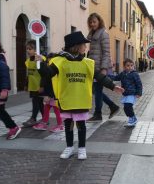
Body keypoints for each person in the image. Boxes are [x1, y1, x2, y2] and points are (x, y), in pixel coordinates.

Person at [36, 31, 124, 159]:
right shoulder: (59, 61)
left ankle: (82, 148)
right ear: (76, 46)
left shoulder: (88, 62)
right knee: (68, 125)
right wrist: (41, 63)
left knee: (81, 125)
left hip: (81, 99)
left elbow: (99, 76)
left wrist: (112, 86)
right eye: (84, 45)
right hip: (67, 99)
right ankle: (69, 147)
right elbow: (48, 73)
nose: (86, 47)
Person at [86, 13, 120, 122]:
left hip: (100, 68)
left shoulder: (103, 34)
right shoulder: (92, 34)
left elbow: (106, 53)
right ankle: (112, 106)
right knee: (96, 91)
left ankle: (98, 114)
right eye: (90, 22)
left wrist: (104, 68)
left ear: (99, 21)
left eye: (94, 22)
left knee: (97, 90)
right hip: (93, 67)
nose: (92, 24)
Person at [33, 53, 64, 132]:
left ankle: (60, 125)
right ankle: (44, 123)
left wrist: (49, 95)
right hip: (49, 94)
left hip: (54, 94)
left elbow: (53, 84)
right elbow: (44, 79)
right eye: (48, 61)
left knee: (56, 109)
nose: (49, 64)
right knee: (46, 108)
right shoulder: (48, 70)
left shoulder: (55, 72)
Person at [111, 58, 142, 127]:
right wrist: (107, 76)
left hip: (132, 93)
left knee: (128, 106)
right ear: (124, 66)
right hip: (125, 93)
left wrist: (139, 93)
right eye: (128, 65)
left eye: (131, 65)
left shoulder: (135, 74)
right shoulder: (123, 74)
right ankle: (133, 118)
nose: (130, 67)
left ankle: (132, 120)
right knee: (126, 108)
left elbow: (139, 84)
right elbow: (116, 78)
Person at [22, 40, 45, 127]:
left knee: (36, 102)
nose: (28, 50)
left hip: (39, 86)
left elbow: (44, 74)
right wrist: (26, 85)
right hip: (32, 86)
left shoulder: (40, 59)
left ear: (36, 49)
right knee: (39, 103)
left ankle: (33, 118)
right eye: (27, 49)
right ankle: (44, 118)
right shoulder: (28, 61)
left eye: (30, 49)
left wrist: (42, 86)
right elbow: (29, 74)